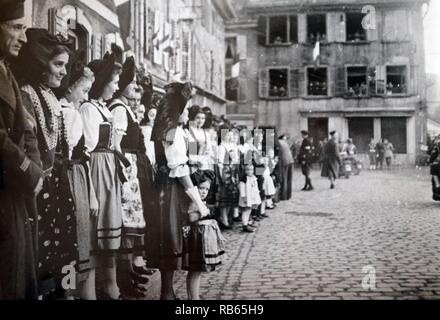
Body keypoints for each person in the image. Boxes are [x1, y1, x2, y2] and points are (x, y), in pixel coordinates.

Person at [13, 28, 78, 299]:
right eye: (58, 64)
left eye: (65, 65)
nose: (64, 72)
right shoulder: (27, 94)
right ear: (41, 64)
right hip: (39, 188)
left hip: (56, 185)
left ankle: (66, 293)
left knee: (63, 252)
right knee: (40, 255)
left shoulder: (49, 94)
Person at [148, 81, 210, 300]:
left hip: (164, 188)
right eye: (185, 109)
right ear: (177, 110)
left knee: (169, 241)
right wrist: (199, 202)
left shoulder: (172, 130)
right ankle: (167, 294)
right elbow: (179, 169)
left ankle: (168, 292)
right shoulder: (172, 131)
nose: (187, 113)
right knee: (171, 239)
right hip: (170, 189)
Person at [0, 0, 44, 300]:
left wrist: (36, 171)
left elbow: (27, 130)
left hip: (14, 193)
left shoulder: (6, 72)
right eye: (17, 28)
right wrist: (29, 173)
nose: (24, 38)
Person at [79, 49, 123, 300]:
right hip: (96, 171)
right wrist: (93, 192)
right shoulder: (88, 109)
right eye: (113, 83)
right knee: (95, 236)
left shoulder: (101, 107)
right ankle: (90, 292)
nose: (116, 88)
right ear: (101, 83)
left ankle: (110, 287)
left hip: (108, 171)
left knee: (107, 237)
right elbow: (85, 151)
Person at [108, 56, 150, 297]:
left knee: (131, 223)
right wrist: (126, 168)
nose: (134, 88)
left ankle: (129, 274)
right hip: (124, 168)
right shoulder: (119, 108)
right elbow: (117, 144)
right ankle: (124, 278)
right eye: (130, 83)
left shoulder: (124, 107)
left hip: (131, 168)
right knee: (125, 224)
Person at [59, 49, 98, 299]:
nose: (86, 97)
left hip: (75, 178)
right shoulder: (70, 114)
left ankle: (72, 292)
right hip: (72, 180)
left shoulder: (67, 110)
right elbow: (79, 157)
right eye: (84, 91)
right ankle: (69, 292)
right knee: (74, 238)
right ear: (71, 86)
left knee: (74, 241)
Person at [183, 170, 226, 300]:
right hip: (197, 238)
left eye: (206, 189)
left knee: (197, 270)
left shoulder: (199, 201)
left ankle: (193, 296)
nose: (203, 192)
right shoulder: (194, 201)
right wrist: (204, 212)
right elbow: (191, 216)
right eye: (201, 188)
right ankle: (193, 297)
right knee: (195, 270)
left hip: (200, 237)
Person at [217, 127, 241, 229]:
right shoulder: (221, 147)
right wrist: (221, 177)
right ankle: (224, 219)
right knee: (224, 197)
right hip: (225, 173)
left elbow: (236, 160)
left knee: (231, 196)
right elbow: (219, 163)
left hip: (232, 173)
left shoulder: (233, 145)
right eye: (227, 135)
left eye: (231, 135)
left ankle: (228, 217)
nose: (230, 137)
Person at [186, 105, 213, 173]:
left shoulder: (206, 134)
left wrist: (203, 160)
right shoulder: (187, 132)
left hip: (204, 166)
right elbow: (187, 152)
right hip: (191, 167)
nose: (200, 120)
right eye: (198, 118)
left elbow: (209, 152)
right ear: (193, 118)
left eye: (203, 118)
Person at [239, 164, 262, 233]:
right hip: (246, 198)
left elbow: (255, 187)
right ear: (245, 171)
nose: (250, 172)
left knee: (249, 211)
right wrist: (243, 197)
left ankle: (248, 222)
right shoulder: (243, 180)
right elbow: (242, 189)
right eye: (248, 170)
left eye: (251, 170)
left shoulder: (253, 177)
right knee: (245, 211)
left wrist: (257, 194)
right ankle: (244, 225)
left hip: (252, 198)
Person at [278, 134, 294, 200]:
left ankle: (283, 196)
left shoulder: (278, 142)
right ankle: (288, 195)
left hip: (284, 162)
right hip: (290, 161)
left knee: (284, 178)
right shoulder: (285, 143)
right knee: (289, 179)